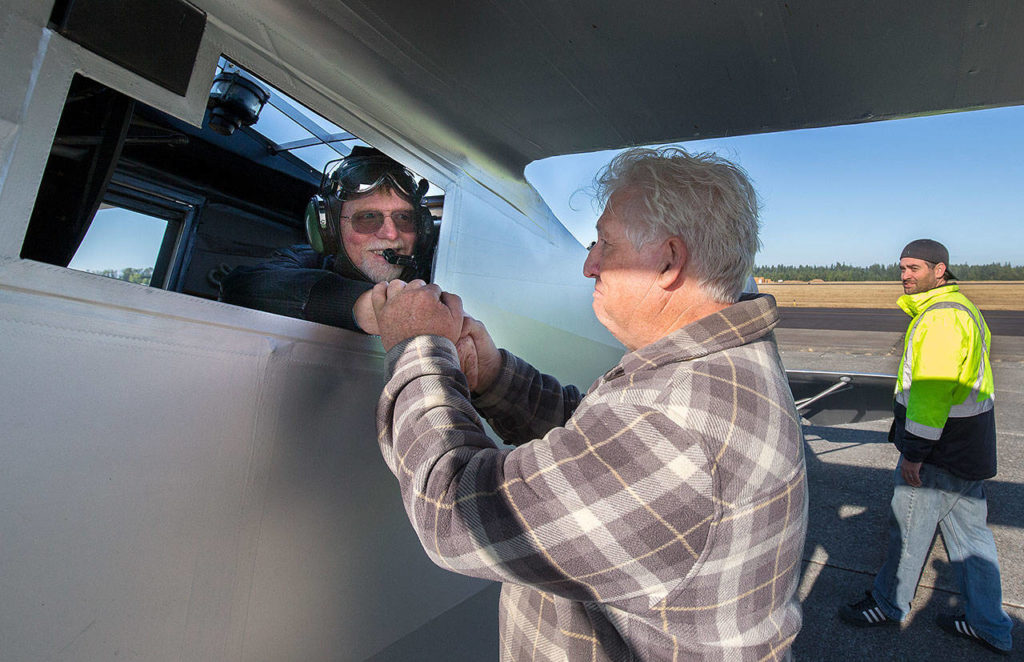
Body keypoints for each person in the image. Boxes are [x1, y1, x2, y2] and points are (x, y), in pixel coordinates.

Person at [371, 147, 808, 660]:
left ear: (669, 262)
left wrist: (417, 345)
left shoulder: (677, 429)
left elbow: (453, 517)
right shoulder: (714, 367)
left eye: (604, 243)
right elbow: (598, 446)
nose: (589, 264)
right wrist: (493, 377)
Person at [839, 239, 1013, 655]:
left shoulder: (939, 320)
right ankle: (990, 625)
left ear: (940, 270)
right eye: (902, 267)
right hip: (968, 445)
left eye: (914, 267)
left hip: (939, 451)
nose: (905, 275)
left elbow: (931, 394)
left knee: (908, 530)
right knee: (972, 539)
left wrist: (915, 452)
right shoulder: (962, 309)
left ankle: (887, 603)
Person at [219, 146, 434, 333]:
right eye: (368, 217)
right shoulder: (304, 259)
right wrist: (366, 307)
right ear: (329, 228)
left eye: (404, 218)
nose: (390, 234)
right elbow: (240, 285)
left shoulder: (438, 276)